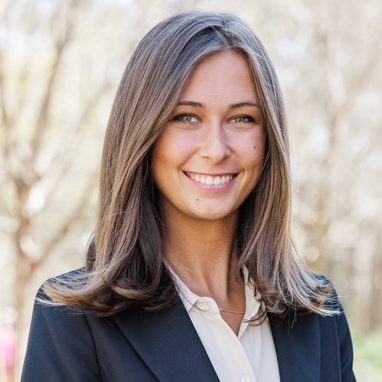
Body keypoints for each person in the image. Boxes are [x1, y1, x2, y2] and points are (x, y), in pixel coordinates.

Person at [21, 10, 356, 382]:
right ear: (143, 133)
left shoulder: (320, 313)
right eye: (186, 117)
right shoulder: (72, 321)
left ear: (268, 138)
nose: (215, 149)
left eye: (242, 118)